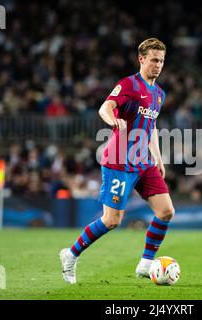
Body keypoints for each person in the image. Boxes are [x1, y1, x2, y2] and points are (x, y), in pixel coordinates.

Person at [59, 38, 175, 284]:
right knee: (112, 220)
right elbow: (105, 107)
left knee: (165, 212)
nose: (158, 65)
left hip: (143, 162)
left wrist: (157, 156)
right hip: (119, 162)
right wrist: (113, 120)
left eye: (162, 60)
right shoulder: (129, 85)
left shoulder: (159, 94)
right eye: (154, 59)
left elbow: (151, 126)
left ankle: (145, 265)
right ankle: (70, 254)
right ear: (141, 59)